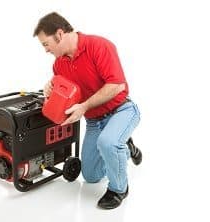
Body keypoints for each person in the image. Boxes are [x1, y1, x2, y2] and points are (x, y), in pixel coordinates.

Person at [33, 12, 142, 210]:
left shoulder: (99, 46)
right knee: (91, 176)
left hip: (122, 110)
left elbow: (116, 85)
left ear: (59, 35)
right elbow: (66, 95)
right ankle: (125, 147)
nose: (46, 50)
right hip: (94, 121)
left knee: (107, 142)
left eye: (46, 44)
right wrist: (49, 90)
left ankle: (119, 189)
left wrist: (84, 106)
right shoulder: (59, 64)